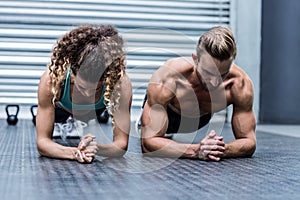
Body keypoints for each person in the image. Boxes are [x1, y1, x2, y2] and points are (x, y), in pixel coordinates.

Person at [140, 26, 256, 161]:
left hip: (200, 119)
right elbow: (148, 144)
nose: (214, 82)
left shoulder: (239, 84)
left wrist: (219, 149)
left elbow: (249, 142)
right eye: (208, 73)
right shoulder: (169, 77)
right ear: (195, 59)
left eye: (222, 74)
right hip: (169, 112)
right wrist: (196, 151)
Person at [36, 25, 132, 163]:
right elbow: (42, 142)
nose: (87, 94)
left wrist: (96, 148)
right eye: (81, 87)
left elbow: (121, 144)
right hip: (62, 109)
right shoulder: (51, 81)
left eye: (95, 90)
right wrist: (75, 152)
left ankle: (85, 121)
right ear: (71, 72)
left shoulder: (121, 84)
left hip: (95, 111)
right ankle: (65, 122)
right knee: (49, 119)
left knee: (95, 116)